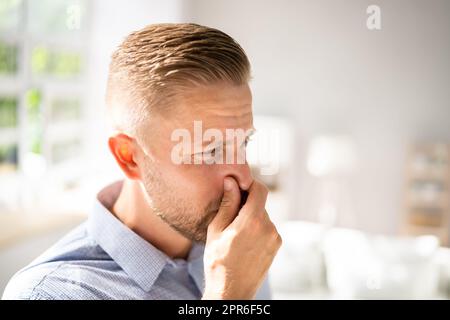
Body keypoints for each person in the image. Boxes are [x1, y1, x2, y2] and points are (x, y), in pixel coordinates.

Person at [2, 23, 282, 300]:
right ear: (129, 158)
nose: (245, 178)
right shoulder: (48, 294)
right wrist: (228, 294)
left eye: (243, 142)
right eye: (210, 151)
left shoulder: (238, 248)